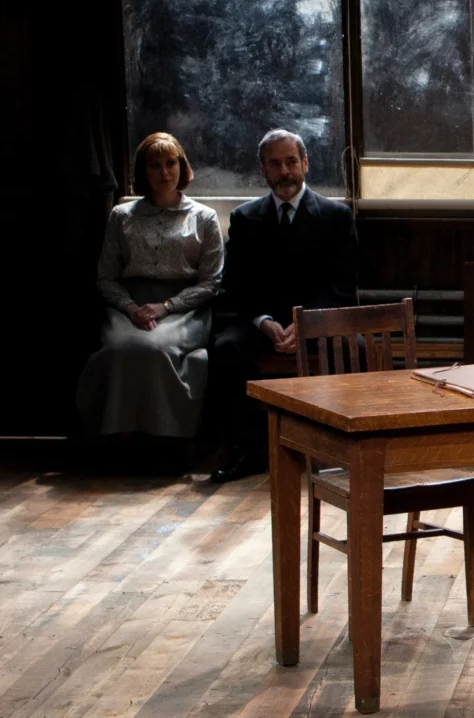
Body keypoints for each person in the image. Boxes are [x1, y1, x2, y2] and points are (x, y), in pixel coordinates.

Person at [207, 128, 359, 482]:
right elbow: (236, 284)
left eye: (291, 161)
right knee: (226, 349)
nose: (285, 171)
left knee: (359, 349)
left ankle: (345, 448)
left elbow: (343, 286)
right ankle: (249, 451)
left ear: (305, 164)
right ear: (263, 170)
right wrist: (262, 320)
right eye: (275, 164)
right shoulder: (246, 219)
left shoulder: (336, 216)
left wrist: (306, 324)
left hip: (319, 321)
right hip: (263, 323)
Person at [76, 132, 224, 444]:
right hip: (129, 306)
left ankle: (168, 439)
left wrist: (167, 306)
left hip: (183, 308)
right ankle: (120, 438)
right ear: (144, 172)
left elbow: (211, 281)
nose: (164, 173)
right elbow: (106, 276)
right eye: (154, 165)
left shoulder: (204, 217)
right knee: (121, 349)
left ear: (182, 167)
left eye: (171, 164)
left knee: (156, 348)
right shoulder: (122, 216)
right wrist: (130, 308)